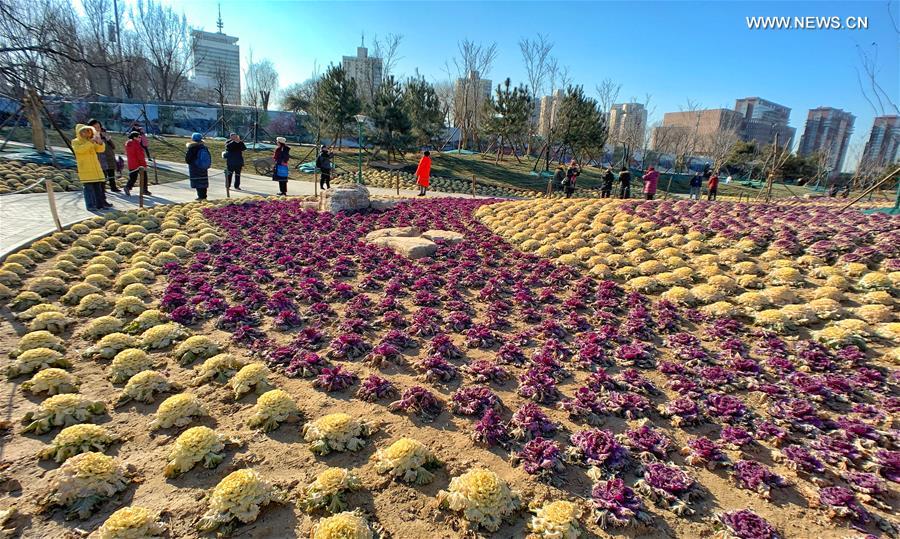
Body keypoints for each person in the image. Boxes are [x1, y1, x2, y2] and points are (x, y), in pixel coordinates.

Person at [72, 124, 111, 210]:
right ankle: (90, 205)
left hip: (95, 168)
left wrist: (100, 142)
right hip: (85, 169)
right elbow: (80, 150)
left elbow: (100, 149)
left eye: (89, 131)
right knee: (88, 188)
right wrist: (90, 142)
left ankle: (99, 205)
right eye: (85, 131)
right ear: (80, 132)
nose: (87, 133)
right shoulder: (76, 142)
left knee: (98, 188)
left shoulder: (91, 141)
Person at [87, 119, 120, 193]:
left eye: (99, 127)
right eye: (94, 127)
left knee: (111, 173)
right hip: (99, 160)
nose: (98, 129)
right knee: (102, 176)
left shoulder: (105, 137)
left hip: (109, 157)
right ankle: (102, 190)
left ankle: (113, 187)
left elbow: (113, 147)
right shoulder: (90, 139)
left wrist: (108, 139)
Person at [185, 132, 212, 200]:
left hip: (195, 167)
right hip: (203, 167)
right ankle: (204, 195)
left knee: (197, 182)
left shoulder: (192, 147)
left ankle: (200, 196)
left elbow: (188, 159)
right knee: (203, 181)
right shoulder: (204, 147)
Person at [124, 131, 151, 197]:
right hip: (139, 164)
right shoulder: (136, 144)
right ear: (134, 137)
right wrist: (144, 165)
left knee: (133, 178)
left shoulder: (128, 144)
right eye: (139, 137)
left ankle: (127, 187)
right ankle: (144, 190)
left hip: (131, 163)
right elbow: (140, 156)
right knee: (144, 177)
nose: (140, 138)